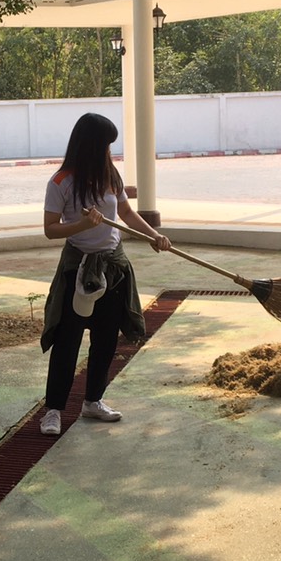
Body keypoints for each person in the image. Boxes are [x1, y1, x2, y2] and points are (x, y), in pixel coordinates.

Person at [38, 112, 171, 436]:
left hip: (113, 267)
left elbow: (125, 212)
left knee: (106, 338)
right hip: (78, 269)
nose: (109, 151)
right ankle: (53, 410)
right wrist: (82, 224)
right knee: (68, 339)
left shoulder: (110, 175)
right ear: (89, 145)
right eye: (105, 145)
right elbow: (50, 229)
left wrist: (153, 235)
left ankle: (93, 401)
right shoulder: (61, 181)